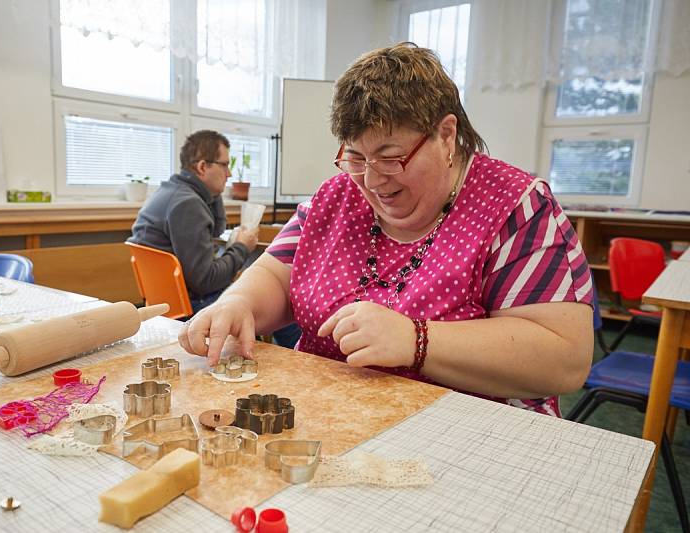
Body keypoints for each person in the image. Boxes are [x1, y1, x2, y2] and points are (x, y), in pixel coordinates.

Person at [179, 43, 594, 417]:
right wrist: (238, 304)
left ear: (446, 135)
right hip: (330, 414)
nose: (373, 181)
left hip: (465, 431)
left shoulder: (515, 205)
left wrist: (416, 341)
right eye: (357, 156)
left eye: (391, 156)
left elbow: (564, 357)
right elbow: (275, 274)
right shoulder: (338, 195)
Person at [129, 130, 258, 314]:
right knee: (273, 301)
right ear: (203, 167)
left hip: (165, 302)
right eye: (224, 165)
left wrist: (213, 191)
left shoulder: (173, 191)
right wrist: (242, 247)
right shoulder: (188, 205)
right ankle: (301, 344)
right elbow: (206, 281)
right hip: (193, 305)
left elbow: (216, 230)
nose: (229, 174)